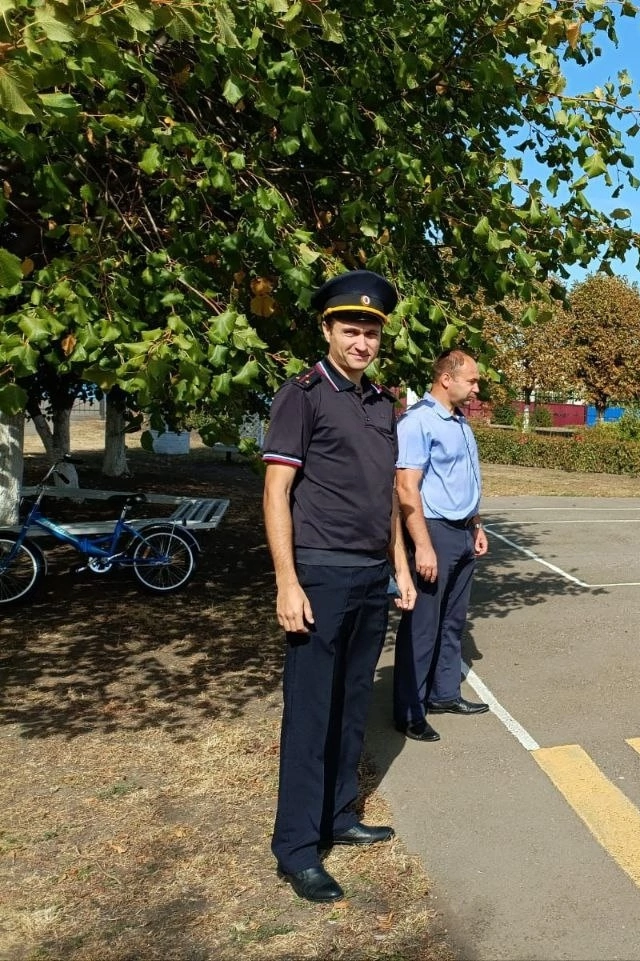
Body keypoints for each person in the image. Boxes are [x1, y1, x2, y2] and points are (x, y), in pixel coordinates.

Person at [263, 269, 416, 904]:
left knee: (353, 703)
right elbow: (275, 493)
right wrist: (287, 582)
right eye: (351, 328)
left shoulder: (381, 403)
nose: (362, 340)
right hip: (319, 574)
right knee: (311, 714)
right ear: (326, 329)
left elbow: (385, 499)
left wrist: (400, 566)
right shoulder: (303, 395)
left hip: (369, 575)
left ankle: (339, 814)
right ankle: (297, 848)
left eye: (371, 330)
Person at [393, 348, 490, 741]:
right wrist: (424, 546)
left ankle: (443, 693)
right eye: (472, 380)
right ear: (446, 378)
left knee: (452, 621)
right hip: (434, 532)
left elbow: (464, 480)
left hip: (464, 532)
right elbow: (405, 487)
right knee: (422, 625)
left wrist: (477, 525)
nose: (477, 387)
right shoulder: (418, 423)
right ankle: (409, 711)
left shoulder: (459, 421)